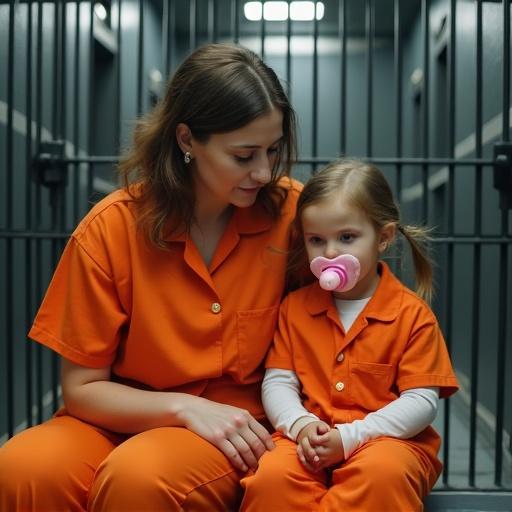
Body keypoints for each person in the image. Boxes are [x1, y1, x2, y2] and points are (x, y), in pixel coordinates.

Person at [0, 43, 302, 511]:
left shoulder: (296, 217)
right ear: (186, 140)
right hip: (117, 419)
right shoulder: (111, 226)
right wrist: (182, 407)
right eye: (244, 156)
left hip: (237, 427)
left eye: (273, 150)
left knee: (139, 479)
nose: (264, 171)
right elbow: (81, 388)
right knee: (23, 467)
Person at [240, 159, 459, 511]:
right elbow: (278, 382)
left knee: (382, 475)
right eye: (316, 240)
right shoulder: (294, 309)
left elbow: (421, 402)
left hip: (388, 442)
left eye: (347, 237)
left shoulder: (412, 315)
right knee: (272, 477)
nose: (329, 253)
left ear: (384, 237)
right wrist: (302, 425)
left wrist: (350, 438)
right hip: (306, 439)